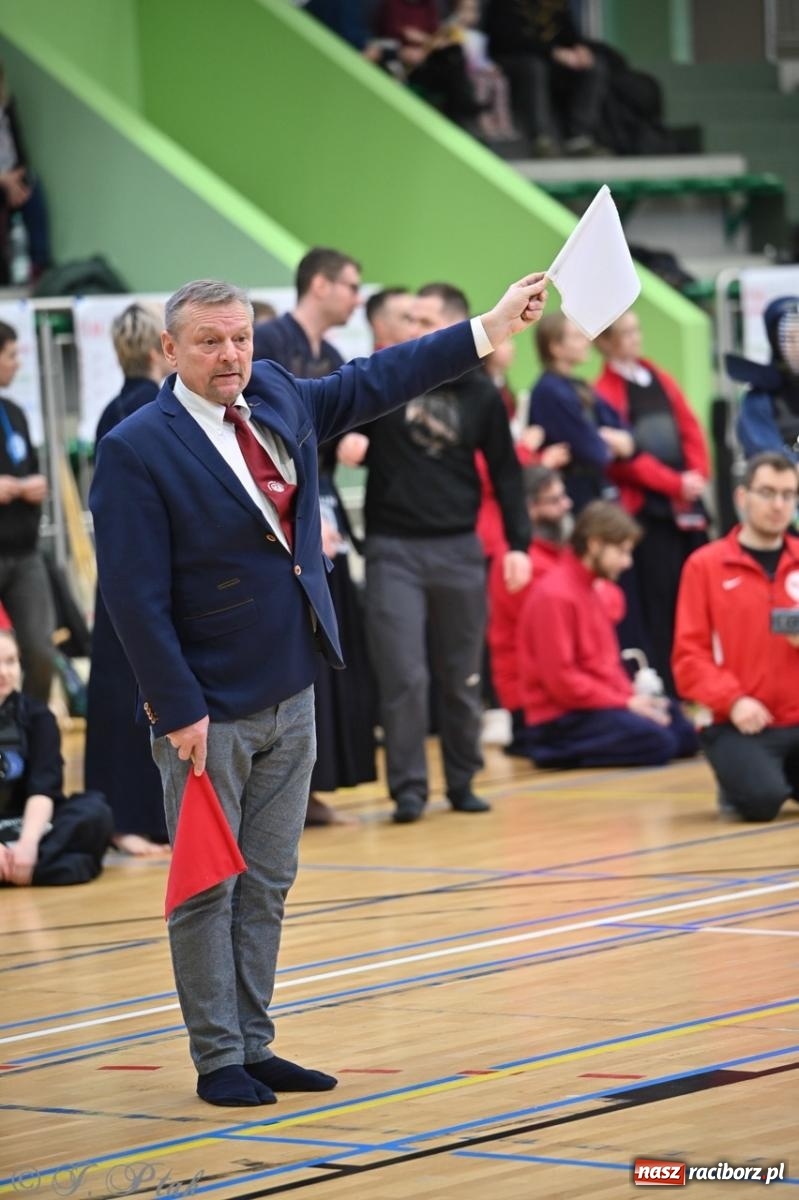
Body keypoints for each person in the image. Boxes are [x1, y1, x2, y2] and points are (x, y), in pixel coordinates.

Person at [89, 271, 548, 1105]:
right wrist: (176, 704)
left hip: (290, 683)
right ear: (169, 350)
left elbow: (382, 377)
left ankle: (255, 1044)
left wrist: (484, 327)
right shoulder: (135, 446)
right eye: (209, 342)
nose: (230, 356)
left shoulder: (274, 393)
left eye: (239, 339)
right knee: (205, 889)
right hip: (204, 705)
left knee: (267, 880)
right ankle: (217, 1058)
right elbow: (131, 594)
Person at [339, 283, 532, 823]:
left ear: (452, 325)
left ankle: (463, 778)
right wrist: (348, 448)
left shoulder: (482, 394)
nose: (411, 329)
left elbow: (507, 474)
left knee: (462, 673)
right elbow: (329, 433)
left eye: (423, 320)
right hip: (393, 550)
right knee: (403, 675)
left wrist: (519, 544)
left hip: (458, 548)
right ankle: (408, 789)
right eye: (408, 319)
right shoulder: (388, 377)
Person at [253, 247, 368, 828]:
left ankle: (317, 785)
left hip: (325, 522)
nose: (357, 297)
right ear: (320, 285)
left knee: (332, 651)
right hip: (281, 524)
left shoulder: (336, 355)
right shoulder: (270, 343)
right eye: (351, 285)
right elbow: (263, 442)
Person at [518, 500, 698, 767]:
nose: (627, 563)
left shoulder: (591, 589)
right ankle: (554, 752)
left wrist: (635, 700)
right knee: (659, 742)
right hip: (561, 719)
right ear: (594, 544)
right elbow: (562, 682)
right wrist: (626, 702)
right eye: (622, 552)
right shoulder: (555, 595)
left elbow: (605, 666)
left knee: (682, 731)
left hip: (595, 705)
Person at [85, 304, 171, 856]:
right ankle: (127, 819)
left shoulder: (110, 408)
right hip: (137, 573)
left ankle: (123, 815)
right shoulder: (147, 408)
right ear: (156, 349)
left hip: (120, 569)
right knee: (133, 694)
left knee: (118, 692)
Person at [673, 452, 799, 822]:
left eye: (788, 495)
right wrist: (733, 701)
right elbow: (688, 658)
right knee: (762, 802)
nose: (778, 505)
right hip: (740, 722)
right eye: (767, 493)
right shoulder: (705, 566)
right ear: (741, 498)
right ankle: (746, 779)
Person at [594, 308, 710, 693]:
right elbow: (624, 461)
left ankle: (697, 679)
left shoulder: (656, 374)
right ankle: (671, 684)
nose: (635, 339)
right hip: (650, 510)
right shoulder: (604, 391)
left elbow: (689, 427)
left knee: (693, 596)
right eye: (625, 334)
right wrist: (674, 483)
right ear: (606, 343)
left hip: (686, 506)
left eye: (636, 330)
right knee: (660, 602)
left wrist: (696, 477)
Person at [0, 630, 112, 886]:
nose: (4, 672)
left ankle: (22, 867)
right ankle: (41, 870)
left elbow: (44, 788)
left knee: (94, 810)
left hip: (26, 824)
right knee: (75, 866)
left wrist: (27, 847)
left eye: (10, 661)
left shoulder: (38, 715)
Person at [487, 464, 572, 752]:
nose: (566, 505)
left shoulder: (556, 554)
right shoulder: (516, 562)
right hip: (534, 701)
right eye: (555, 500)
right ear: (530, 507)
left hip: (558, 691)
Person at [527, 313, 635, 513]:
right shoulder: (549, 392)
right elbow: (595, 452)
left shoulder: (579, 386)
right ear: (555, 347)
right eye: (576, 337)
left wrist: (605, 437)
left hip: (596, 489)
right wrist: (607, 439)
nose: (586, 341)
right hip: (574, 497)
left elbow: (628, 433)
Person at [0, 321, 55, 703]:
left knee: (39, 651)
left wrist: (33, 485)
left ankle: (31, 733)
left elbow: (30, 468)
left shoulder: (14, 413)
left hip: (25, 552)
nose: (17, 364)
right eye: (11, 355)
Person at [484, 0, 608, 156]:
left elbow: (568, 33)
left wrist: (579, 48)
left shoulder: (555, 4)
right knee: (535, 68)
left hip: (550, 59)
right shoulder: (504, 4)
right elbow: (509, 41)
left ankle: (579, 138)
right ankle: (540, 138)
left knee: (594, 67)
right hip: (513, 59)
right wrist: (554, 53)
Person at [0, 62, 51, 285]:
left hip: (11, 176)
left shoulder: (7, 109)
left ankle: (40, 264)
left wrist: (17, 180)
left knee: (33, 185)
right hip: (2, 180)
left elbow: (20, 151)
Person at [730, 296, 799, 461]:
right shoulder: (759, 400)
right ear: (776, 341)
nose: (797, 345)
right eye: (791, 337)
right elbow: (770, 459)